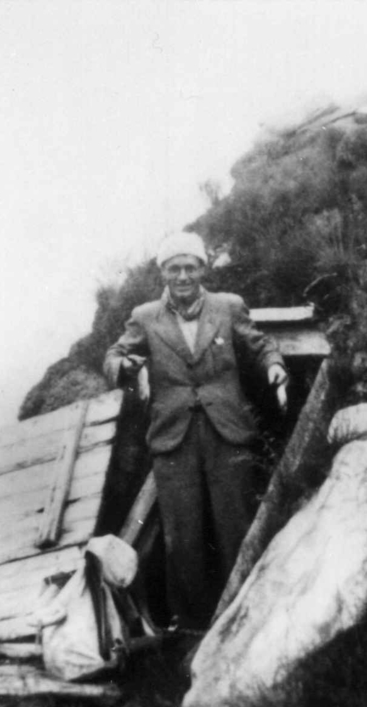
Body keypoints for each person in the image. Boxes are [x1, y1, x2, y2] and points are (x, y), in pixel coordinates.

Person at [104, 231, 287, 630]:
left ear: (203, 269)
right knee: (182, 536)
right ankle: (191, 628)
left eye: (190, 267)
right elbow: (114, 356)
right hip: (174, 437)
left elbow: (259, 344)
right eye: (174, 268)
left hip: (227, 431)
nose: (183, 275)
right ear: (163, 273)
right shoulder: (145, 316)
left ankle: (248, 616)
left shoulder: (228, 307)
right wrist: (127, 368)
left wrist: (275, 366)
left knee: (235, 525)